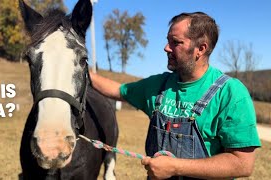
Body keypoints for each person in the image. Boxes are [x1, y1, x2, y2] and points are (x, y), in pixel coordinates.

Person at [89, 12, 261, 179]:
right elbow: (119, 90)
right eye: (167, 41)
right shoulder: (158, 85)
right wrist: (81, 70)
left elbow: (242, 164)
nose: (166, 48)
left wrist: (174, 167)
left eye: (176, 42)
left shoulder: (231, 93)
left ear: (200, 49)